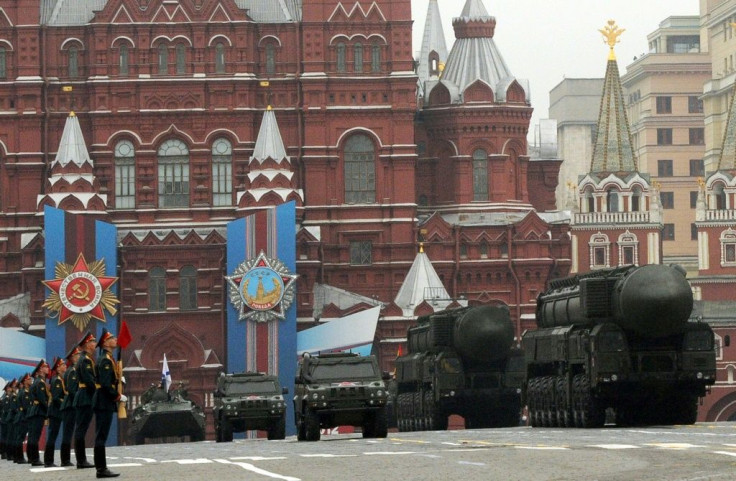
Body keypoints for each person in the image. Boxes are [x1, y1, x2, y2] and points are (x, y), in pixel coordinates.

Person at [93, 328, 125, 478]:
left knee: (101, 435)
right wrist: (117, 396)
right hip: (103, 401)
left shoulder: (107, 358)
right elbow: (105, 384)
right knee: (101, 436)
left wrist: (118, 380)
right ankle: (101, 468)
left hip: (103, 400)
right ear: (105, 343)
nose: (115, 339)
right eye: (112, 338)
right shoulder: (105, 360)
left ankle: (101, 467)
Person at [73, 331, 97, 469]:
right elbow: (89, 381)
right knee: (81, 430)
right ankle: (81, 461)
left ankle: (81, 460)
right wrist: (97, 394)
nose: (95, 344)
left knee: (81, 429)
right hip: (85, 397)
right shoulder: (86, 360)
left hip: (83, 396)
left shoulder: (84, 358)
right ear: (87, 344)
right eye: (93, 342)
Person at [60, 345, 81, 467]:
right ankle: (65, 459)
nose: (79, 357)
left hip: (70, 405)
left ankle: (65, 459)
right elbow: (73, 390)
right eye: (77, 355)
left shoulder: (72, 370)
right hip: (70, 406)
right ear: (72, 358)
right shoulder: (72, 371)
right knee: (67, 433)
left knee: (68, 433)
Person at [27, 359, 50, 466]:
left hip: (34, 411)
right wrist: (48, 411)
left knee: (32, 436)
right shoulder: (40, 382)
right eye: (45, 367)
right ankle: (35, 459)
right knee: (35, 436)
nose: (47, 368)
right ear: (40, 369)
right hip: (38, 411)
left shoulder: (36, 382)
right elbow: (42, 399)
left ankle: (32, 458)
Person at [44, 357, 66, 467]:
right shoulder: (56, 380)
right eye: (62, 365)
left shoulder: (60, 379)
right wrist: (65, 406)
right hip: (55, 411)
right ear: (57, 368)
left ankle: (49, 460)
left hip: (56, 411)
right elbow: (57, 398)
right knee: (52, 436)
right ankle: (48, 461)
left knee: (53, 435)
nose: (65, 366)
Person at [14, 373, 31, 464]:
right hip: (23, 417)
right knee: (20, 438)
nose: (31, 380)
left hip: (22, 417)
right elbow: (26, 406)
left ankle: (18, 458)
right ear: (24, 381)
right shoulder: (24, 392)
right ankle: (20, 458)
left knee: (19, 438)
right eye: (29, 379)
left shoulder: (23, 391)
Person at [0, 379, 14, 460]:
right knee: (5, 436)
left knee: (7, 436)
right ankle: (4, 452)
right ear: (6, 389)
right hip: (5, 420)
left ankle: (6, 452)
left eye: (10, 388)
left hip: (8, 419)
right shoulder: (4, 398)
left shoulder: (9, 397)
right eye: (8, 388)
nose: (10, 389)